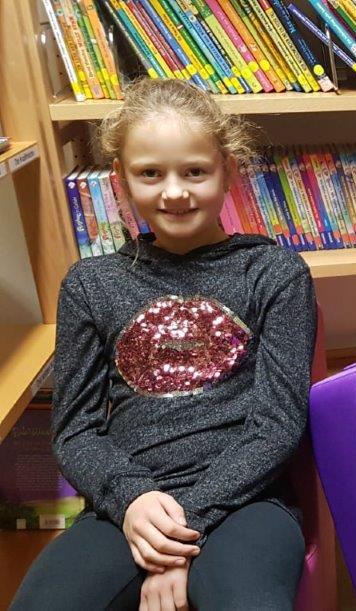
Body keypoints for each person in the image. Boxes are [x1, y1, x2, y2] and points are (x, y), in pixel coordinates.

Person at [12, 79, 315, 611]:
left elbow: (277, 426)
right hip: (128, 506)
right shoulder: (90, 285)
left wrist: (179, 534)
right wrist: (133, 501)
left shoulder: (274, 273)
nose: (174, 192)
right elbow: (75, 431)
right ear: (121, 180)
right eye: (150, 173)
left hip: (247, 501)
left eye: (194, 171)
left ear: (228, 171)